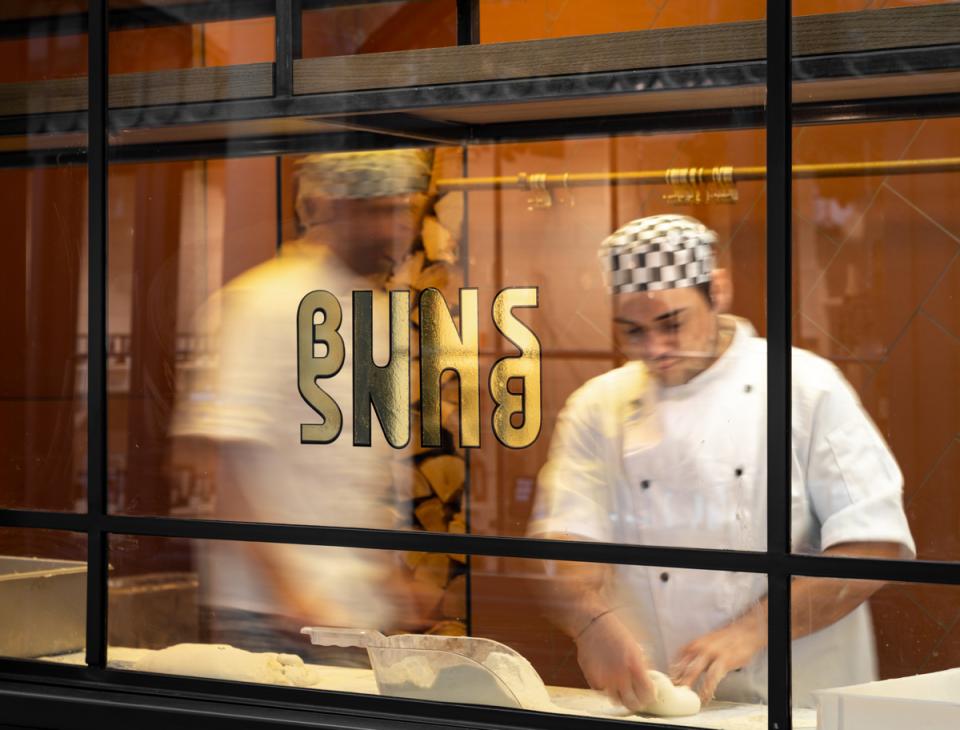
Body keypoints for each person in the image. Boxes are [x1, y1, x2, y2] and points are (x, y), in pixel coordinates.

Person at [529, 213, 915, 709]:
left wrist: (751, 630)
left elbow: (873, 545)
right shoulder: (597, 405)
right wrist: (590, 623)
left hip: (795, 701)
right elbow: (566, 541)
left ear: (719, 290)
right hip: (655, 703)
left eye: (672, 324)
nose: (656, 349)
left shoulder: (803, 387)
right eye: (633, 331)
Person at [171, 148, 434, 660]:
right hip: (269, 620)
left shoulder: (375, 314)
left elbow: (363, 474)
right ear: (334, 208)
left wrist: (390, 579)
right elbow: (219, 466)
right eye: (380, 211)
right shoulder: (261, 303)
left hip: (354, 615)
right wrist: (290, 597)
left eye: (404, 210)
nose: (397, 228)